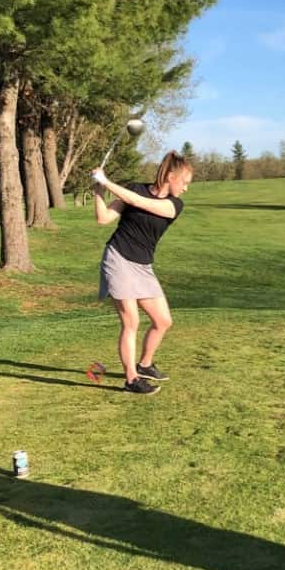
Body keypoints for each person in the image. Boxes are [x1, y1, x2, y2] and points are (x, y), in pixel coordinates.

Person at [92, 150, 193, 394]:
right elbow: (103, 218)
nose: (186, 188)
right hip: (118, 259)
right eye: (185, 182)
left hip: (143, 266)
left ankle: (145, 364)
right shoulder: (136, 189)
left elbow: (140, 203)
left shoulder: (174, 205)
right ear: (170, 176)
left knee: (163, 321)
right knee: (131, 322)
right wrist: (98, 191)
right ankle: (131, 380)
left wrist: (107, 182)